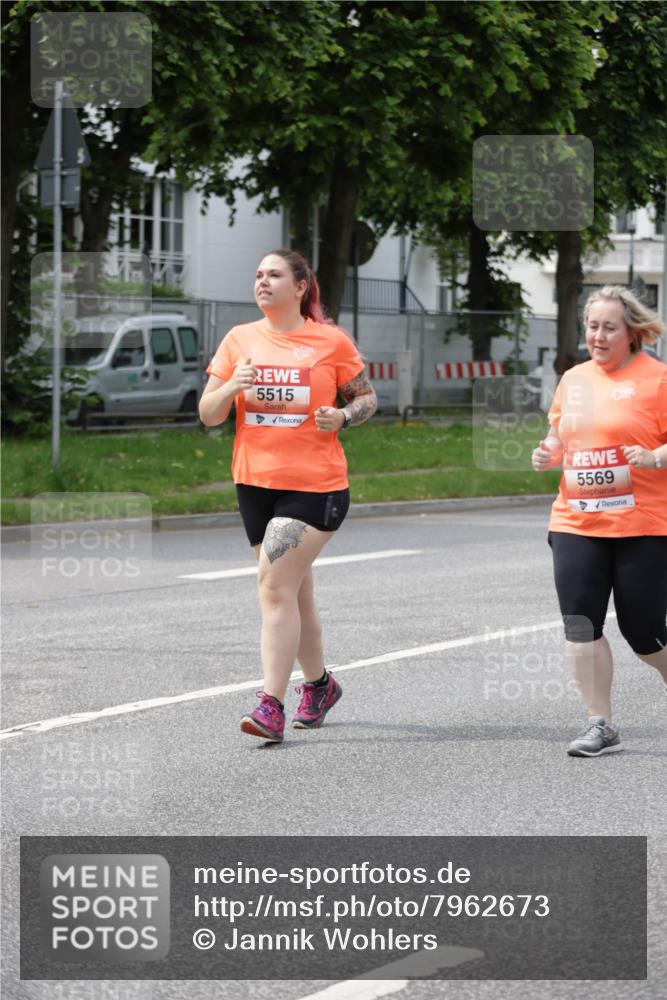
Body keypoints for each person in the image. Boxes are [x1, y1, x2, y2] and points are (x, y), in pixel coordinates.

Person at [199, 249, 377, 742]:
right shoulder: (239, 340)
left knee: (274, 587)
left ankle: (270, 706)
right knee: (295, 593)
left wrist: (342, 416)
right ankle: (320, 685)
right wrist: (233, 382)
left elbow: (366, 397)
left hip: (315, 487)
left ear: (300, 286)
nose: (263, 281)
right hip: (254, 484)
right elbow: (209, 413)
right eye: (257, 274)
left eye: (274, 274)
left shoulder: (329, 341)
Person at [532, 285, 667, 757]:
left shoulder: (657, 378)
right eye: (592, 326)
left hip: (643, 525)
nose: (599, 335)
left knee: (645, 633)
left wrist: (653, 457)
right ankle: (600, 723)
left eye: (610, 327)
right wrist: (547, 452)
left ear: (632, 332)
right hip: (576, 520)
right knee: (579, 623)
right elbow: (559, 436)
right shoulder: (574, 379)